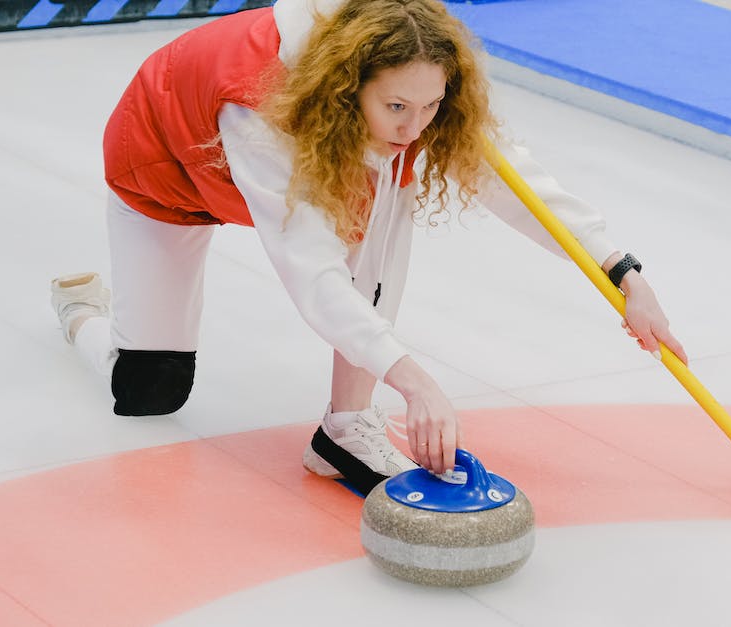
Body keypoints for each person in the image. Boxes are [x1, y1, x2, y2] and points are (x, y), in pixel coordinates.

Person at [50, 0, 687, 495]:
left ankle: (347, 428)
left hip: (311, 148)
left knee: (389, 178)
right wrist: (416, 383)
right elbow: (315, 276)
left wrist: (622, 271)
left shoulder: (412, 70)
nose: (416, 128)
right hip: (166, 168)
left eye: (432, 106)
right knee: (148, 392)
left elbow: (513, 178)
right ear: (344, 87)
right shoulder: (260, 110)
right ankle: (85, 312)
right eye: (398, 107)